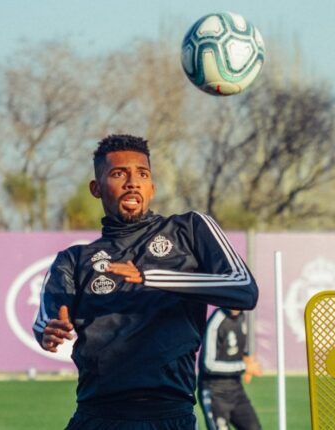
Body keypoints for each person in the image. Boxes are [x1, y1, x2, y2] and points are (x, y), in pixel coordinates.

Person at [32, 134, 259, 430]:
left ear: (151, 187)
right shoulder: (74, 259)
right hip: (96, 417)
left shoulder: (190, 230)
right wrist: (49, 332)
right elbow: (44, 323)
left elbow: (244, 288)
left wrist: (150, 277)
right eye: (118, 174)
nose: (132, 182)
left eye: (142, 173)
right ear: (96, 188)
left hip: (167, 416)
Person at [198, 308, 262, 430]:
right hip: (215, 392)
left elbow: (245, 347)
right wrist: (244, 367)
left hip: (236, 389)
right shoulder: (217, 321)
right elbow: (208, 364)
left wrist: (248, 359)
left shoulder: (244, 316)